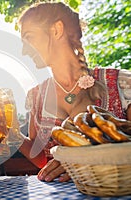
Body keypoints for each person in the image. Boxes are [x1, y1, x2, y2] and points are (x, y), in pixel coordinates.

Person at [16, 2, 131, 182]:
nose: (24, 51)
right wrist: (8, 132)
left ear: (56, 30)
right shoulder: (36, 96)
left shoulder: (119, 83)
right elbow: (41, 159)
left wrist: (83, 163)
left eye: (29, 38)